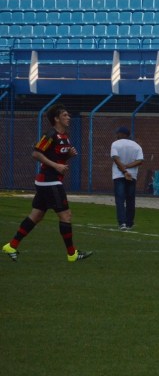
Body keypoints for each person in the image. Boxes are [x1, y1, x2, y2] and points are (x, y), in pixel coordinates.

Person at [2, 103, 93, 263]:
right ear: (56, 119)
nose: (68, 117)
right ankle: (72, 254)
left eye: (68, 115)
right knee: (65, 215)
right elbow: (36, 153)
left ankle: (11, 245)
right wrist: (57, 166)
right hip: (49, 182)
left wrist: (67, 157)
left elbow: (57, 157)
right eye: (65, 115)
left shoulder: (65, 136)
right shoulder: (50, 135)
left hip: (50, 181)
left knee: (36, 215)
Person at [110, 126, 144, 231]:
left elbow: (116, 159)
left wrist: (124, 170)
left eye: (118, 133)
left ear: (121, 134)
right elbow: (140, 160)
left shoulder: (115, 144)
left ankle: (122, 223)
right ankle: (129, 223)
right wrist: (128, 167)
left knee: (120, 200)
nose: (117, 135)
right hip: (132, 175)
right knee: (130, 199)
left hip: (119, 175)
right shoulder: (136, 146)